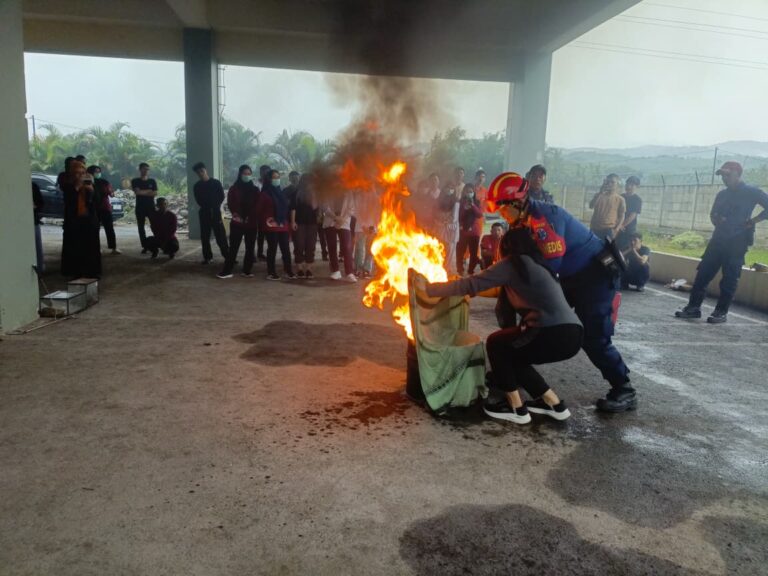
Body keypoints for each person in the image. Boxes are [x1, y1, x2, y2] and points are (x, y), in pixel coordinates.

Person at [487, 171, 635, 413]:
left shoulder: (544, 220)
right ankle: (511, 367)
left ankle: (624, 388)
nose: (500, 214)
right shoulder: (523, 220)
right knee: (531, 316)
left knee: (593, 337)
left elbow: (547, 270)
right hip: (569, 278)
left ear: (517, 202)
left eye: (502, 208)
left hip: (594, 278)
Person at [416, 228, 582, 424]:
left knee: (497, 344)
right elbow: (494, 290)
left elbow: (471, 284)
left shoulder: (513, 263)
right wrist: (467, 290)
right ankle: (554, 404)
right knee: (515, 355)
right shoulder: (537, 265)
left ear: (507, 246)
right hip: (573, 333)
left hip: (549, 332)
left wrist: (429, 288)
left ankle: (516, 408)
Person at [675, 161, 768, 324]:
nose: (724, 178)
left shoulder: (751, 191)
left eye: (728, 174)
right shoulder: (722, 194)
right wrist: (717, 220)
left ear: (737, 174)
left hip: (738, 242)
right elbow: (713, 214)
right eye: (722, 175)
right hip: (718, 240)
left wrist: (753, 221)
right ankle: (693, 308)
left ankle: (720, 312)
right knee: (703, 274)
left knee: (730, 278)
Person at [217, 164, 260, 279]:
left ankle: (247, 270)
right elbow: (231, 204)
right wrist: (239, 215)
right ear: (240, 174)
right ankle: (227, 270)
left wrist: (249, 216)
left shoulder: (255, 190)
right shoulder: (234, 189)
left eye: (249, 174)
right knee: (234, 247)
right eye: (245, 173)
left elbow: (257, 205)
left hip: (251, 222)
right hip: (237, 221)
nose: (247, 176)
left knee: (250, 247)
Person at [61, 160, 101, 279]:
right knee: (74, 247)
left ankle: (92, 272)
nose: (80, 175)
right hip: (74, 221)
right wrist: (77, 186)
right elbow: (68, 201)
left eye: (82, 173)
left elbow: (98, 202)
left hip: (89, 221)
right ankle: (74, 272)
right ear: (72, 174)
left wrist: (92, 191)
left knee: (91, 247)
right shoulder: (67, 185)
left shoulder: (90, 185)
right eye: (77, 173)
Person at [258, 169, 295, 280]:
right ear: (269, 179)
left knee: (285, 248)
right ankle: (271, 272)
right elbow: (259, 210)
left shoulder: (281, 192)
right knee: (272, 248)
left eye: (278, 177)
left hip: (282, 224)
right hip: (270, 225)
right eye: (274, 177)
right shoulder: (264, 194)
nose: (277, 179)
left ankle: (288, 271)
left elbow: (286, 208)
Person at [192, 161, 229, 264]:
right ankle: (207, 257)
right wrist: (208, 206)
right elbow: (198, 200)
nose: (200, 173)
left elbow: (221, 196)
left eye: (202, 171)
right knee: (205, 236)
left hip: (216, 212)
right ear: (196, 173)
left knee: (220, 235)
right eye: (198, 172)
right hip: (204, 213)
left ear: (205, 170)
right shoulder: (197, 186)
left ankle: (227, 256)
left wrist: (214, 206)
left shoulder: (216, 183)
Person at [322, 190, 356, 282]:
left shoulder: (348, 192)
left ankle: (349, 273)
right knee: (331, 247)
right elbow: (324, 207)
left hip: (344, 223)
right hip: (330, 221)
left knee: (347, 247)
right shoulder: (327, 190)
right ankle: (335, 271)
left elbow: (351, 209)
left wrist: (341, 220)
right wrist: (336, 218)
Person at [290, 174, 320, 279]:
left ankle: (308, 269)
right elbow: (293, 209)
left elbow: (315, 207)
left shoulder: (314, 194)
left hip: (312, 224)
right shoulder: (296, 193)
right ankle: (299, 269)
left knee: (310, 246)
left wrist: (313, 195)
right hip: (300, 223)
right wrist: (293, 222)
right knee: (299, 246)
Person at [87, 165, 120, 255]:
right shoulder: (88, 182)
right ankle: (97, 247)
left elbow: (111, 193)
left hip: (105, 208)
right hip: (94, 209)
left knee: (109, 228)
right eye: (96, 172)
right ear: (90, 173)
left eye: (99, 171)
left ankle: (113, 247)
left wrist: (111, 192)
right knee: (95, 229)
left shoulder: (104, 182)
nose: (98, 173)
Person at [589, 173, 626, 241]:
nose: (610, 184)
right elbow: (591, 206)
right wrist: (600, 192)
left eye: (613, 182)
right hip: (594, 228)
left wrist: (616, 229)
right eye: (608, 182)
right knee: (592, 249)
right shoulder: (599, 195)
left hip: (608, 230)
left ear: (617, 184)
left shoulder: (620, 199)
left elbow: (622, 215)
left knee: (607, 250)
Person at [456, 183, 483, 275]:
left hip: (474, 232)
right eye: (467, 191)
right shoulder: (460, 202)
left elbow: (479, 214)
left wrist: (472, 205)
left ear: (474, 193)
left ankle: (471, 270)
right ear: (464, 192)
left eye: (471, 192)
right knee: (460, 252)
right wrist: (464, 208)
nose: (469, 193)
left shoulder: (477, 202)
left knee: (473, 253)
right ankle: (460, 269)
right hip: (463, 231)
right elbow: (458, 216)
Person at [131, 162, 158, 254]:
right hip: (140, 208)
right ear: (140, 169)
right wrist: (149, 191)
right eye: (144, 169)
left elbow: (155, 193)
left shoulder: (152, 181)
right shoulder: (135, 181)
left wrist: (142, 192)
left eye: (147, 169)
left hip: (151, 207)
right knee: (141, 228)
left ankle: (159, 243)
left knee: (155, 226)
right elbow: (137, 193)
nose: (146, 171)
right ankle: (145, 246)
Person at [617, 176, 642, 249]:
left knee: (624, 249)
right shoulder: (620, 197)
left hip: (628, 229)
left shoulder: (637, 200)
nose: (628, 186)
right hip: (617, 227)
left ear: (637, 186)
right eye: (627, 184)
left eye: (632, 185)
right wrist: (617, 224)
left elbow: (632, 216)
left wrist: (621, 225)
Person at [32, 182, 45, 273]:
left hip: (33, 220)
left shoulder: (32, 186)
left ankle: (39, 271)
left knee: (36, 248)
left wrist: (35, 206)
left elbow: (40, 204)